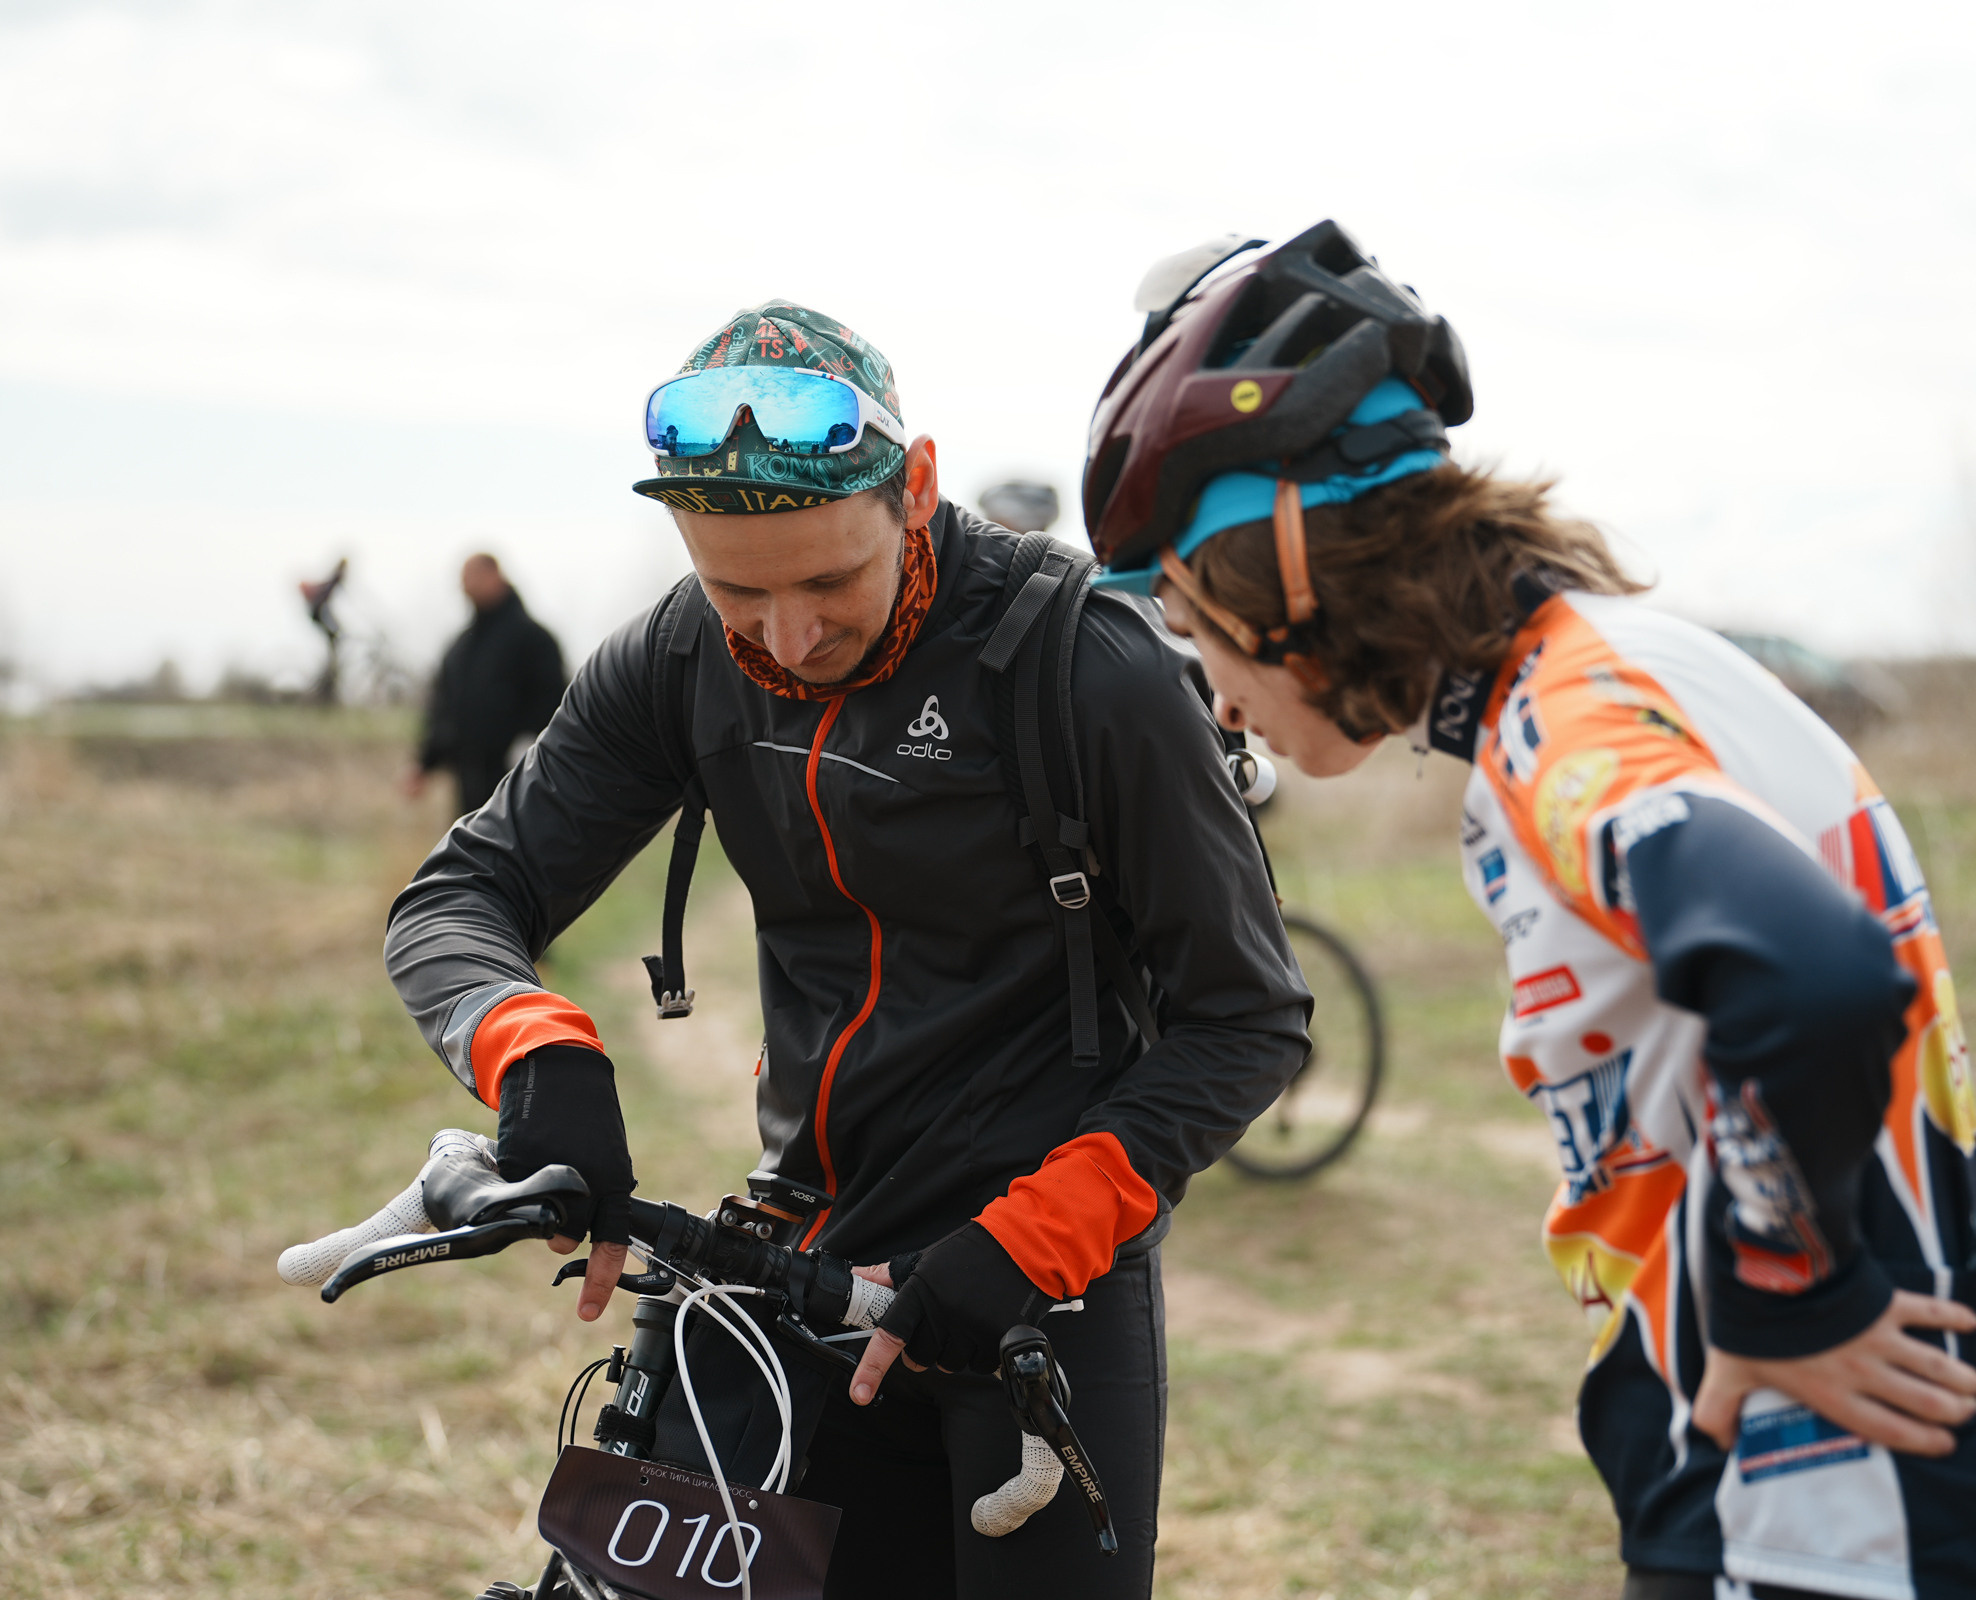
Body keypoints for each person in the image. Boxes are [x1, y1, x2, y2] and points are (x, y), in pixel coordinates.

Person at [1080, 223, 1976, 1600]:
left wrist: (1786, 1289)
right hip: (1820, 1478)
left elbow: (1811, 977)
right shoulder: (1572, 685)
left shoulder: (1568, 717)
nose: (1206, 682)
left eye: (1192, 621)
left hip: (1832, 1502)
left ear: (1283, 572)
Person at [382, 300, 1308, 1599]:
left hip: (1037, 1277)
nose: (788, 637)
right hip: (794, 1254)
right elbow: (460, 897)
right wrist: (538, 1058)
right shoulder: (685, 655)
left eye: (829, 581)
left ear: (916, 487)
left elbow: (1247, 1020)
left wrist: (1029, 1241)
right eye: (735, 589)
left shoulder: (1085, 666)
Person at [406, 553, 568, 816]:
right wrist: (425, 764)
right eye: (464, 580)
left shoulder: (534, 640)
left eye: (474, 577)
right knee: (471, 852)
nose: (467, 585)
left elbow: (553, 701)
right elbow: (445, 709)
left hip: (523, 781)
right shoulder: (461, 648)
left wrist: (528, 746)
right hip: (468, 785)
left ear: (496, 576)